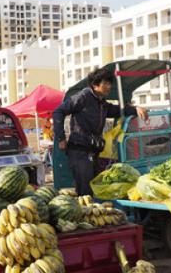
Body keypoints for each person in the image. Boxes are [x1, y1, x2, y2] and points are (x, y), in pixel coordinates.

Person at [53, 68, 148, 196]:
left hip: (93, 150)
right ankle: (84, 213)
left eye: (110, 83)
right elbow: (58, 111)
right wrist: (61, 138)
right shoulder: (83, 97)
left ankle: (93, 213)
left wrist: (135, 109)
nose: (109, 86)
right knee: (85, 190)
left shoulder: (102, 103)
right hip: (79, 151)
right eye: (106, 83)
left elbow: (117, 111)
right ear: (95, 84)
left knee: (94, 187)